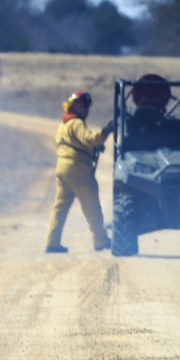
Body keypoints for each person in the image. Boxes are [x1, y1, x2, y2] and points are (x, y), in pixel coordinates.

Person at [45, 91, 114, 253]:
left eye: (88, 106)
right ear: (73, 106)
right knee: (92, 205)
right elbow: (89, 139)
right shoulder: (76, 123)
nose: (87, 109)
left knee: (60, 207)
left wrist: (92, 148)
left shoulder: (64, 124)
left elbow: (72, 143)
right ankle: (101, 240)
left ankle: (52, 242)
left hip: (62, 168)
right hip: (77, 168)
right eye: (83, 105)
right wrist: (105, 131)